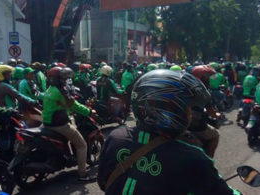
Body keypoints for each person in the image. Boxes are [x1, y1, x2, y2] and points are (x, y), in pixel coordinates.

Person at [97, 70, 241, 195]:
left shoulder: (115, 137)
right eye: (186, 108)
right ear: (168, 111)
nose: (190, 114)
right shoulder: (193, 158)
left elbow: (102, 182)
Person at [42, 66, 96, 181]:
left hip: (47, 123)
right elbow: (74, 106)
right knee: (82, 145)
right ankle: (83, 174)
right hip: (59, 125)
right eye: (64, 78)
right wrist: (89, 112)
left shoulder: (49, 89)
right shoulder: (60, 92)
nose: (66, 80)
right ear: (59, 79)